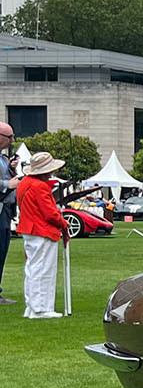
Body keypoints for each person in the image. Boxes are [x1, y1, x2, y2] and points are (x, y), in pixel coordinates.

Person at [16, 151, 69, 319]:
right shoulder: (39, 186)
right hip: (41, 230)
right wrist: (63, 223)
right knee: (43, 269)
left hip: (29, 229)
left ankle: (32, 306)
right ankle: (41, 308)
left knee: (33, 268)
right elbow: (50, 214)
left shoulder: (25, 182)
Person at [0, 122, 18, 304]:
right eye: (9, 137)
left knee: (2, 251)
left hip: (5, 211)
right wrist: (7, 184)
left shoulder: (4, 159)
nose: (12, 141)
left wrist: (12, 168)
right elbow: (6, 183)